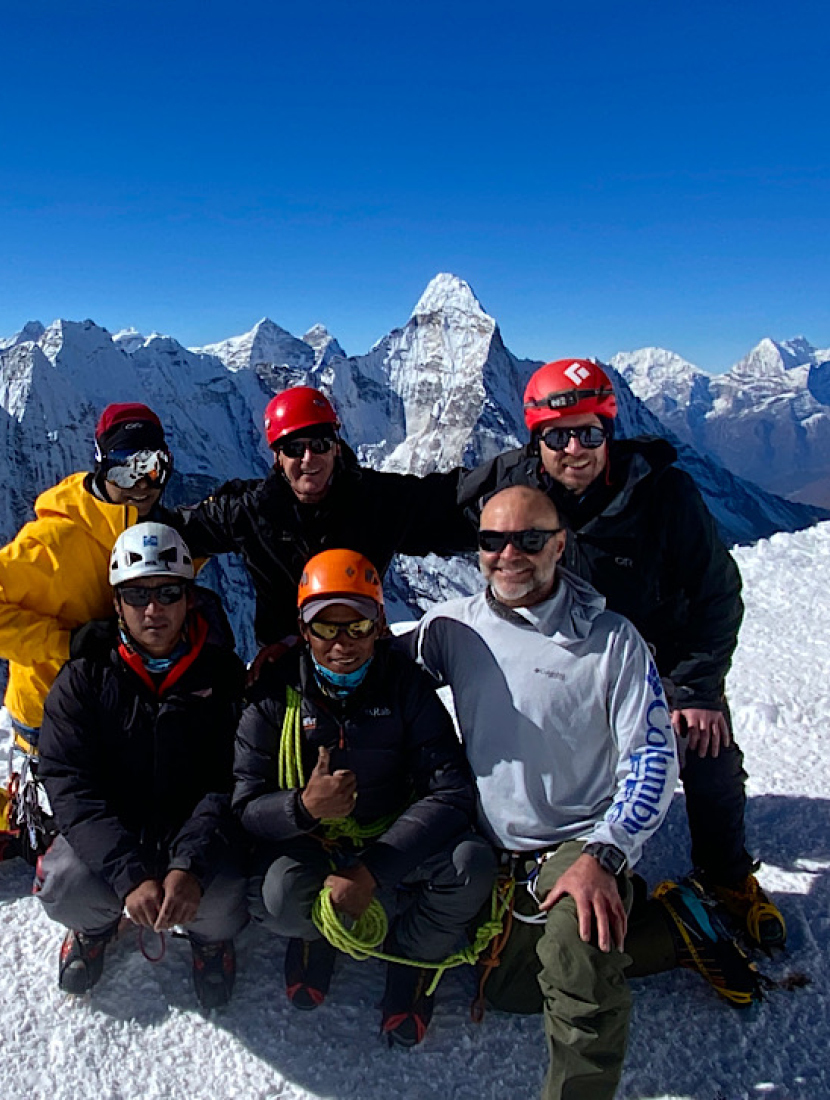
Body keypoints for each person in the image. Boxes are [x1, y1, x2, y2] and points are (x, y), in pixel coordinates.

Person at [407, 486, 759, 1100]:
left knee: (575, 964)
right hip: (497, 845)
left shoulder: (612, 640)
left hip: (582, 841)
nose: (509, 554)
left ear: (560, 545)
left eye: (530, 539)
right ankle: (675, 926)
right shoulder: (451, 628)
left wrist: (607, 853)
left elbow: (653, 758)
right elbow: (367, 668)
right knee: (517, 992)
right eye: (493, 541)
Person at [458, 358, 785, 953]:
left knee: (706, 753)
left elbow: (718, 593)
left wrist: (698, 690)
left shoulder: (663, 495)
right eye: (558, 435)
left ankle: (728, 876)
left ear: (611, 430)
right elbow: (421, 507)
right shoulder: (510, 486)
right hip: (579, 663)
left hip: (663, 662)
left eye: (591, 432)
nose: (575, 448)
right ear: (536, 439)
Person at [233, 548, 495, 1046]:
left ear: (379, 626)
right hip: (312, 843)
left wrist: (372, 871)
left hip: (387, 835)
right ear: (303, 631)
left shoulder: (406, 688)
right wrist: (304, 808)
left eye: (357, 625)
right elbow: (245, 807)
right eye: (326, 627)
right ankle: (320, 937)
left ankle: (413, 958)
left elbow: (452, 789)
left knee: (470, 867)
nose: (342, 643)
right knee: (277, 896)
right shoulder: (273, 694)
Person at [0, 404, 174, 887]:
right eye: (128, 467)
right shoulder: (53, 542)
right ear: (102, 464)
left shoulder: (153, 529)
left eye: (155, 467)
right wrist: (65, 642)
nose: (144, 482)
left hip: (118, 708)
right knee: (80, 839)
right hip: (51, 716)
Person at [35, 523, 247, 1010]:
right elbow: (70, 786)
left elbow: (232, 780)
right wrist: (128, 874)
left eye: (168, 592)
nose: (153, 609)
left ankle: (208, 936)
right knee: (63, 884)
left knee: (231, 892)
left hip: (191, 835)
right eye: (137, 595)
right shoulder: (83, 681)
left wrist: (189, 866)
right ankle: (97, 925)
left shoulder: (222, 677)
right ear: (117, 605)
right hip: (117, 836)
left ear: (189, 599)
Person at [169, 386, 469, 659]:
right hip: (286, 668)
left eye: (320, 444)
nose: (309, 458)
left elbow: (451, 502)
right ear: (277, 457)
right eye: (294, 449)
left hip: (360, 659)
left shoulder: (378, 501)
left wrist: (514, 480)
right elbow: (175, 530)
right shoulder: (251, 512)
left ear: (337, 447)